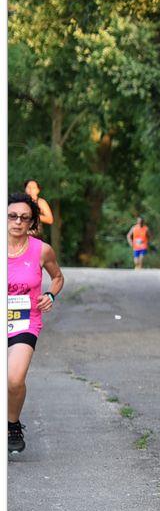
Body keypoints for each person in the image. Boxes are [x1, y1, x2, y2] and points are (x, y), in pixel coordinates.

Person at [8, 193, 65, 454]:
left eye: (24, 217)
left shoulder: (41, 250)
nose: (17, 222)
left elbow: (58, 277)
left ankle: (12, 424)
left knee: (14, 379)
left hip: (24, 321)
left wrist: (50, 295)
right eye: (12, 216)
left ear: (32, 222)